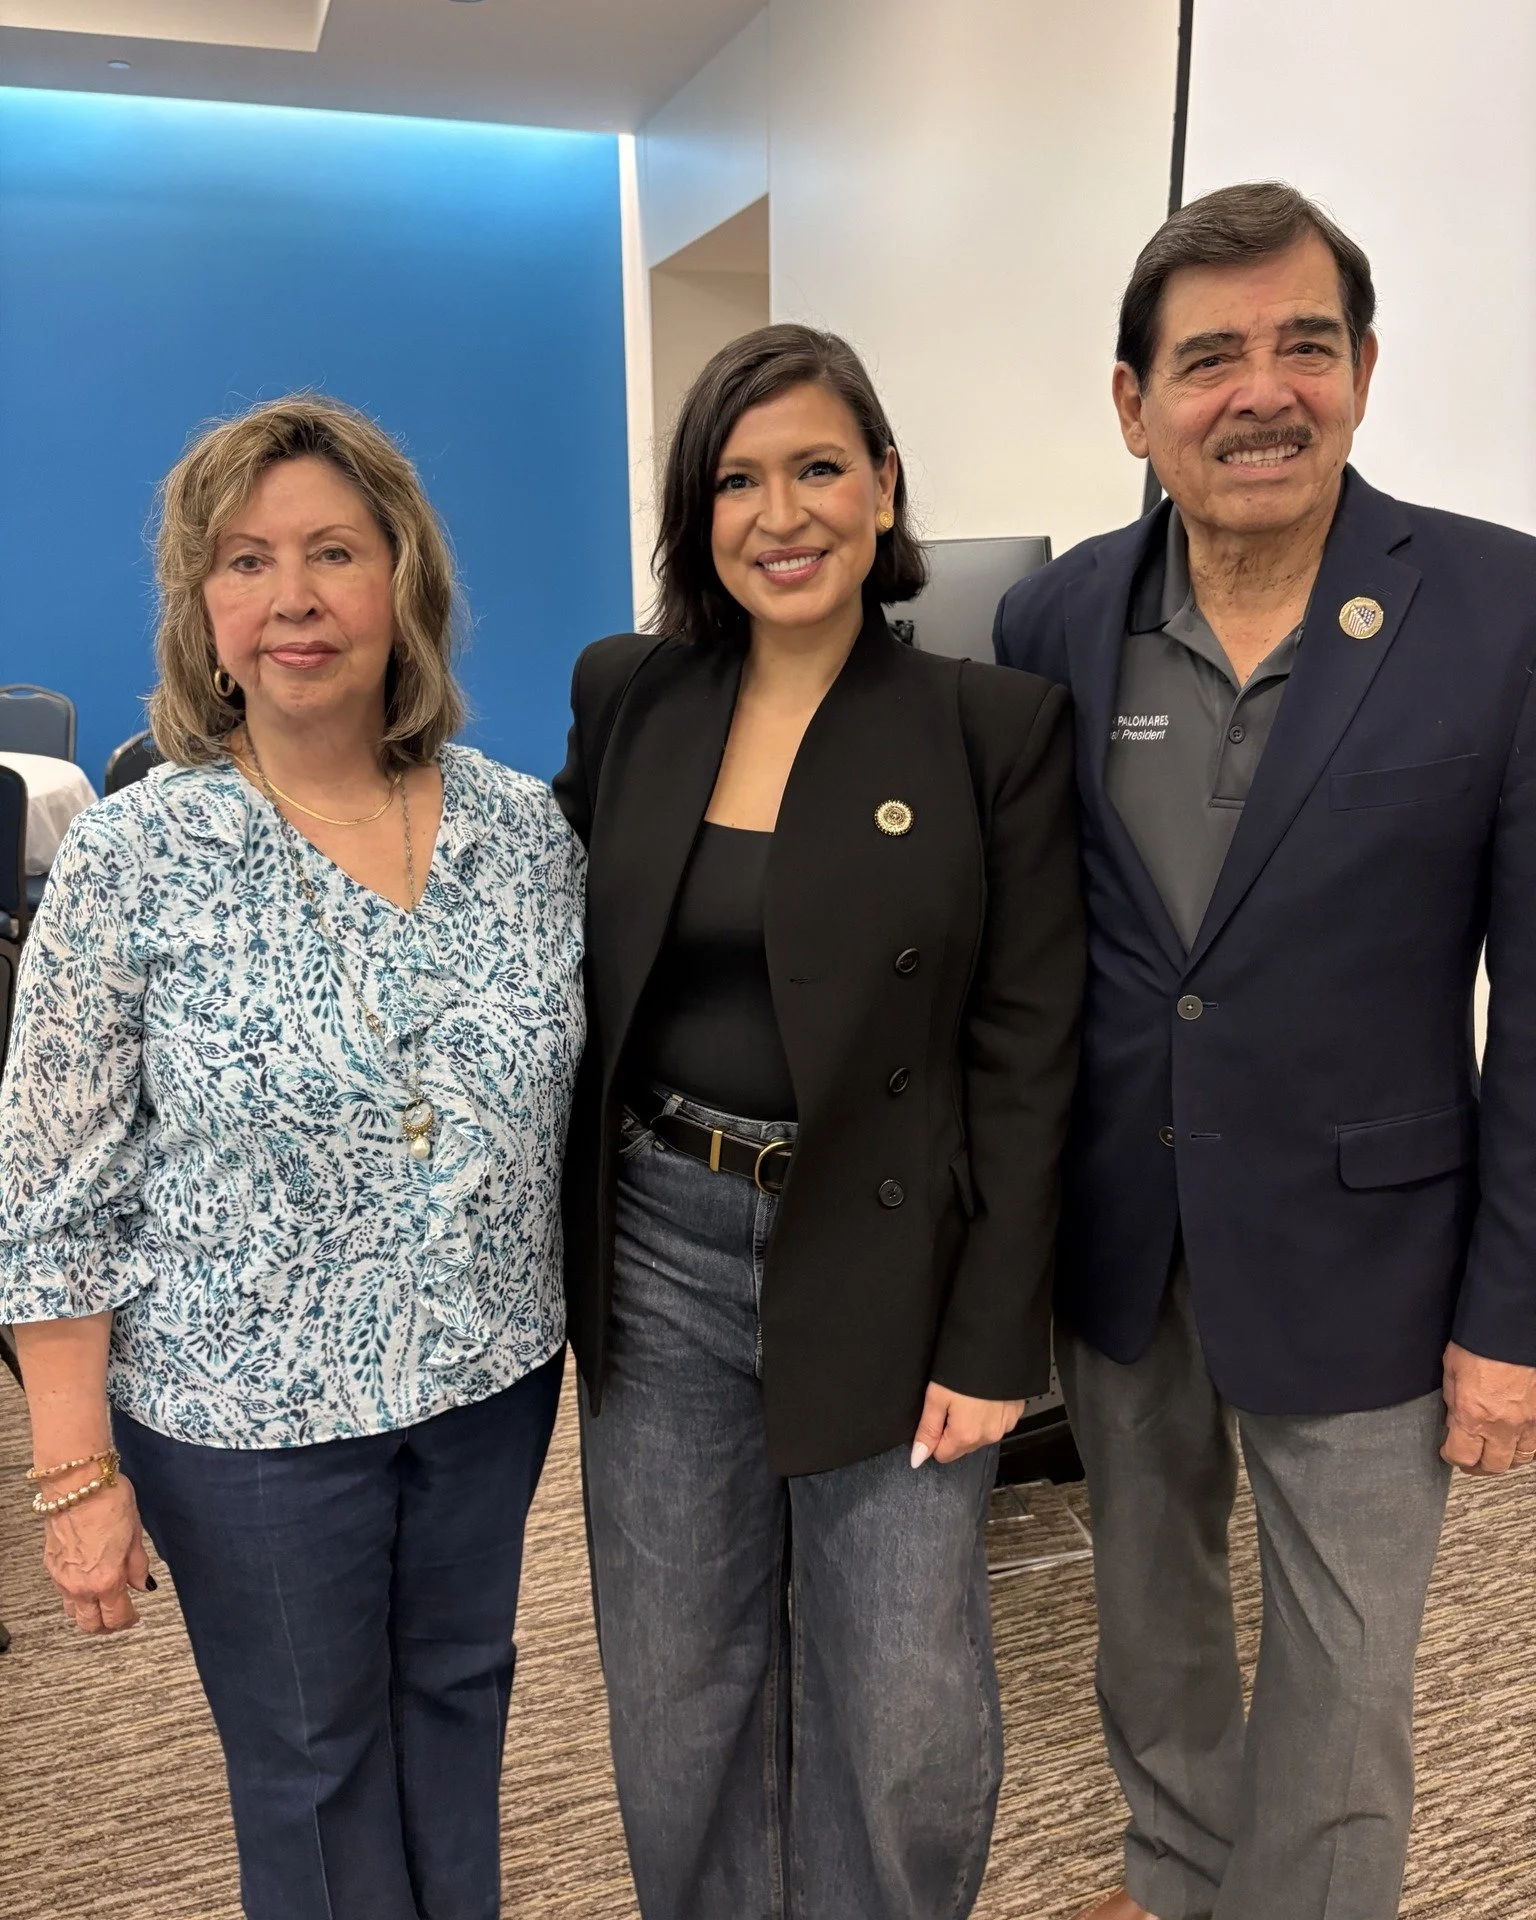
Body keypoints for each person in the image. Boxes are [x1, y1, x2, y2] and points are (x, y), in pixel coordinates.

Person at [994, 181, 1536, 1920]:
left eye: (1306, 345)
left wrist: (1510, 1320)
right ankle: (1172, 1877)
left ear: (1365, 372)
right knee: (1150, 1613)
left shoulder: (1496, 606)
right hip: (1125, 1239)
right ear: (1133, 404)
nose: (1263, 391)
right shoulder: (1058, 623)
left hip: (1376, 1247)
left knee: (1346, 1674)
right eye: (1210, 356)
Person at [0, 395, 586, 1920]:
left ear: (407, 584)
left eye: (335, 551)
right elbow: (49, 1187)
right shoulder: (135, 858)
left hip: (488, 1385)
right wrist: (73, 1477)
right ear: (204, 608)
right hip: (244, 1425)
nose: (296, 599)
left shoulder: (528, 837)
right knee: (315, 1775)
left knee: (461, 1715)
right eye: (247, 562)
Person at [554, 323, 1084, 1920]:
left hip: (888, 1249)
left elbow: (1030, 1047)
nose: (778, 513)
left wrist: (999, 1339)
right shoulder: (631, 691)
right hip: (662, 1237)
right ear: (695, 510)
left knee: (906, 1705)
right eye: (736, 478)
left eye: (816, 468)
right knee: (678, 1690)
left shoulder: (994, 727)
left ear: (885, 487)